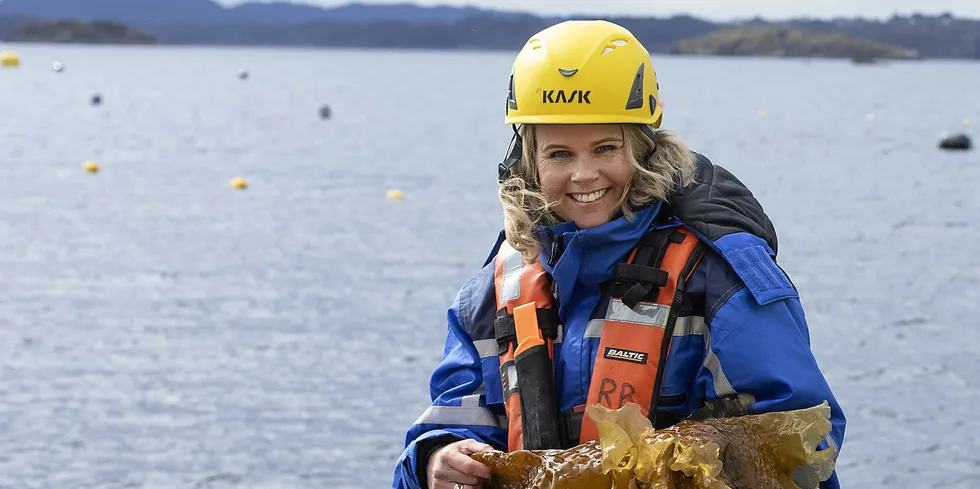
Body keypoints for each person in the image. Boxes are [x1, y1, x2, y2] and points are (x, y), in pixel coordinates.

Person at [391, 19, 845, 489]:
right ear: (528, 161)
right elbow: (453, 418)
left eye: (605, 148)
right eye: (559, 154)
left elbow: (800, 443)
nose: (584, 175)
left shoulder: (721, 276)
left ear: (643, 146)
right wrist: (436, 457)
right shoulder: (493, 290)